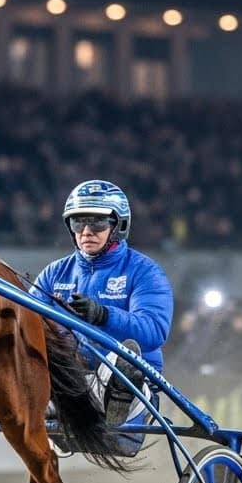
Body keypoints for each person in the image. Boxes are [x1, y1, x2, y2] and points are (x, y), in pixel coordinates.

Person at [33, 180, 173, 443]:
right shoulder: (54, 274)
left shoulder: (145, 272)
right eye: (78, 223)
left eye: (97, 223)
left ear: (117, 225)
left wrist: (103, 315)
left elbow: (154, 331)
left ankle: (108, 407)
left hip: (130, 386)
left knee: (124, 359)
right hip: (69, 380)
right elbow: (25, 325)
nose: (86, 231)